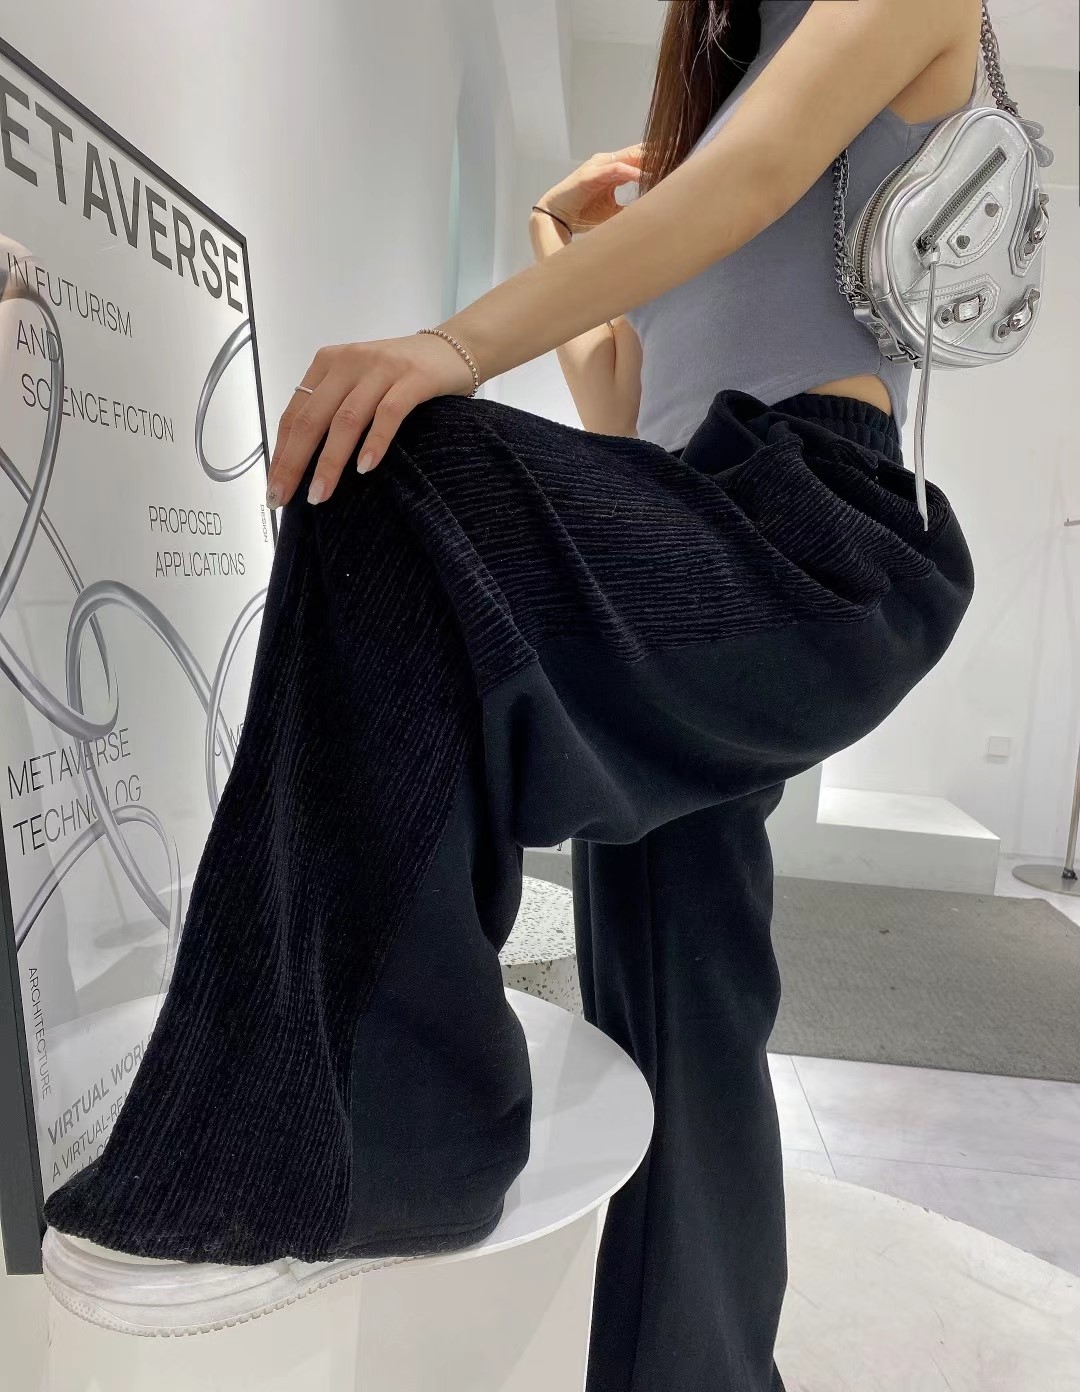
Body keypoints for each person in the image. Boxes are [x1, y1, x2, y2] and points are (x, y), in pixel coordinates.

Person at [43, 2, 984, 1388]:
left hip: (815, 530)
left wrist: (455, 345)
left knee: (402, 467)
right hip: (699, 527)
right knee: (683, 1015)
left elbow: (757, 181)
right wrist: (558, 238)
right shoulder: (720, 103)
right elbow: (630, 419)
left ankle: (381, 1133)